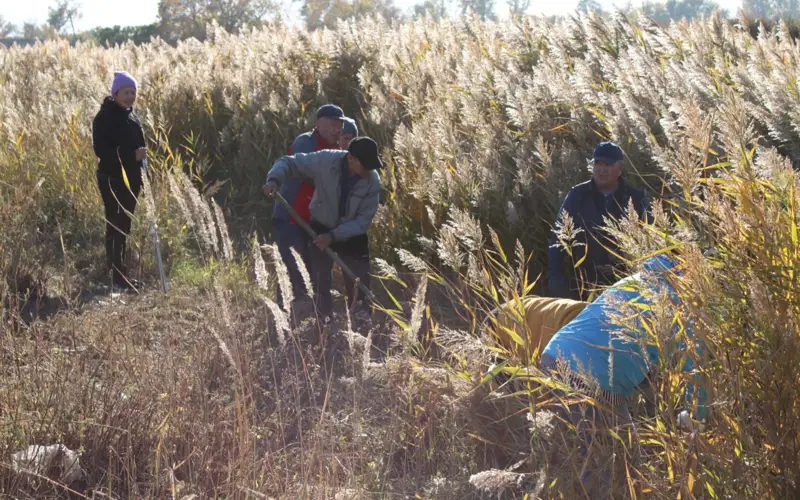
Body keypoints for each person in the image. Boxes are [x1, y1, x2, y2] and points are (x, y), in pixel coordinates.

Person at [541, 253, 708, 426]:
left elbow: (625, 344)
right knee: (617, 447)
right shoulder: (682, 307)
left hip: (553, 355)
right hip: (591, 378)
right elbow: (697, 373)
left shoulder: (634, 280)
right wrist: (696, 417)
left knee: (569, 439)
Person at [263, 137, 383, 318]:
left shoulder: (372, 181)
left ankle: (361, 323)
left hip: (352, 235)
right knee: (319, 284)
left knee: (359, 284)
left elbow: (362, 222)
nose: (369, 170)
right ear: (351, 158)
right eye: (365, 165)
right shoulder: (326, 160)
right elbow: (288, 163)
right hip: (320, 227)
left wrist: (333, 236)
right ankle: (324, 325)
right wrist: (274, 179)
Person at [548, 142, 647, 300]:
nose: (602, 170)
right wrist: (556, 277)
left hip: (624, 282)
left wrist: (625, 268)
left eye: (608, 165)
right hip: (583, 282)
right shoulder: (577, 195)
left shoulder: (635, 198)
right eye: (598, 163)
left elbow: (647, 242)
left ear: (619, 169)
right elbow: (558, 238)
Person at [272, 104, 345, 305]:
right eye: (332, 124)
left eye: (339, 125)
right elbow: (307, 171)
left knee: (315, 274)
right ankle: (283, 317)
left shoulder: (338, 150)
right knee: (291, 270)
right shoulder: (305, 142)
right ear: (318, 124)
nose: (337, 129)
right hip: (291, 217)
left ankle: (311, 320)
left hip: (315, 223)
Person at [92, 71, 146, 291]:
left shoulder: (131, 116)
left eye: (133, 92)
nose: (130, 96)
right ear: (115, 93)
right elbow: (102, 151)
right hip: (112, 179)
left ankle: (121, 272)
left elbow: (139, 147)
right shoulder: (105, 117)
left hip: (132, 180)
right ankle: (117, 276)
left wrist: (142, 164)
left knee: (125, 226)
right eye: (126, 92)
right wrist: (130, 156)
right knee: (116, 224)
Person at [483, 296, 590, 366]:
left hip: (523, 310)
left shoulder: (598, 312)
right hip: (500, 321)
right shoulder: (570, 337)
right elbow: (547, 370)